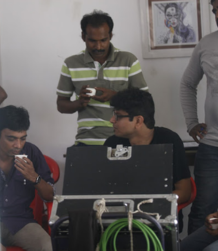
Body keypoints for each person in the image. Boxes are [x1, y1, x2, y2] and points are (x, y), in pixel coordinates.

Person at [104, 88, 192, 231]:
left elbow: (184, 191)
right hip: (120, 221)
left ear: (138, 120)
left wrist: (147, 207)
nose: (112, 120)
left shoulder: (169, 140)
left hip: (159, 223)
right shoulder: (112, 144)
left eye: (118, 116)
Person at [56, 10, 148, 146]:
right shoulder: (71, 64)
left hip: (124, 141)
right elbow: (61, 105)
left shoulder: (128, 60)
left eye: (103, 40)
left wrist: (115, 96)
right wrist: (79, 102)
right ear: (83, 37)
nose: (98, 47)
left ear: (110, 36)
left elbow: (145, 102)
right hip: (86, 142)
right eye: (92, 41)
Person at [180, 0, 218, 234]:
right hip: (212, 147)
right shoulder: (207, 44)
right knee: (203, 210)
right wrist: (192, 123)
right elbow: (187, 83)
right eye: (215, 10)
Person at [0, 106, 54, 250]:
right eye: (11, 139)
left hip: (20, 221)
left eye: (22, 139)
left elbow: (50, 196)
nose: (18, 145)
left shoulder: (31, 152)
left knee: (48, 246)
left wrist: (34, 178)